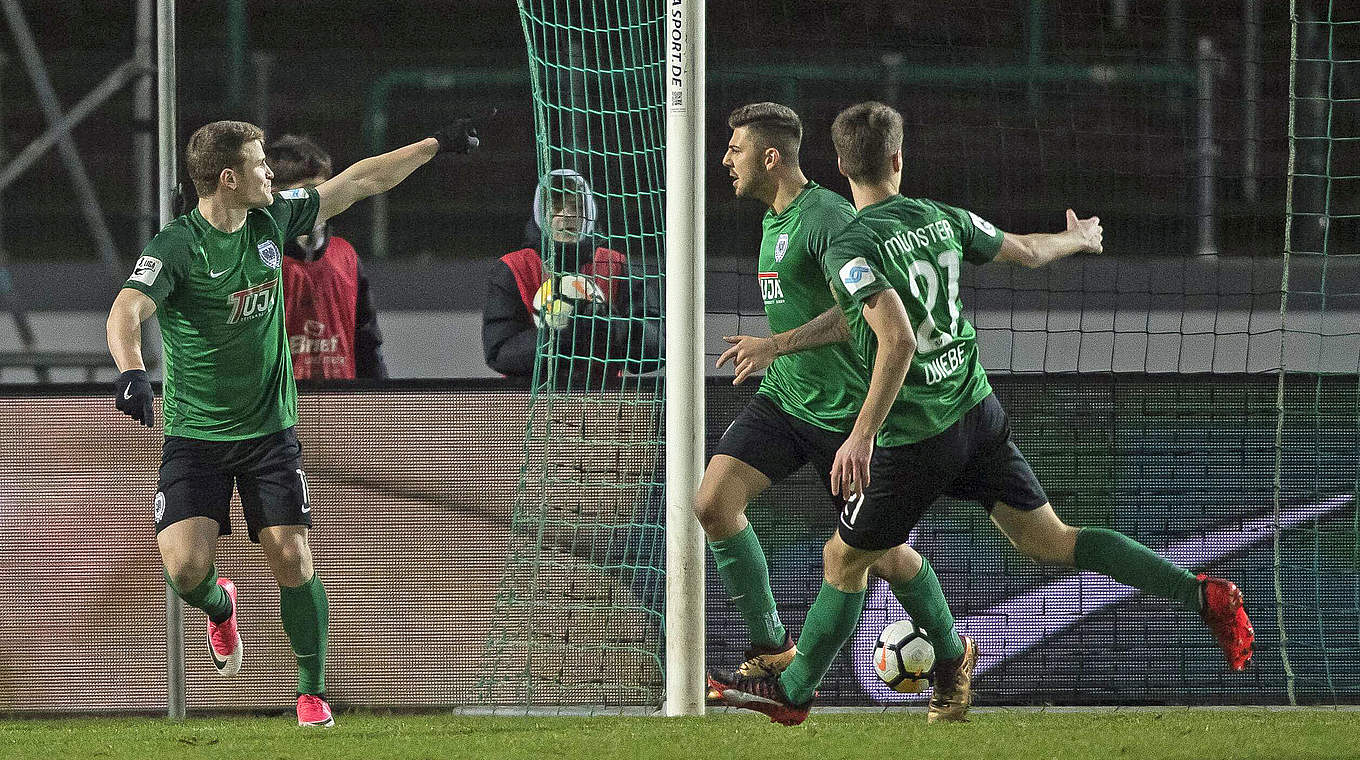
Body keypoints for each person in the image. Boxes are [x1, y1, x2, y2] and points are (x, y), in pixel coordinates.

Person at [708, 101, 1254, 726]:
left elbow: (897, 339)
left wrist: (861, 436)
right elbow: (1024, 250)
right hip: (977, 413)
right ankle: (1202, 591)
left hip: (915, 435)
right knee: (1053, 541)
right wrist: (1076, 238)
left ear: (837, 164)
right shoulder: (941, 219)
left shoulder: (850, 243)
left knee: (844, 559)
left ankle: (794, 691)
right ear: (897, 159)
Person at [106, 118, 480, 727]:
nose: (269, 172)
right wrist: (132, 371)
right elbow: (127, 308)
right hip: (195, 436)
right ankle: (220, 605)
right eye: (258, 164)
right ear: (228, 179)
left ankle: (311, 691)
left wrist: (433, 143)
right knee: (183, 568)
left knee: (291, 555)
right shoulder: (176, 246)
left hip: (269, 431)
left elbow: (359, 183)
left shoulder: (270, 219)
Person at [699, 103, 966, 703]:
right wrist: (779, 356)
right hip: (786, 400)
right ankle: (770, 649)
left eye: (735, 149)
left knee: (886, 556)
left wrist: (777, 343)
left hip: (845, 414)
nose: (725, 161)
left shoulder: (829, 219)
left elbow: (859, 320)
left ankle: (951, 651)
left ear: (771, 157)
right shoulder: (774, 220)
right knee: (713, 503)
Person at [482, 169, 662, 385]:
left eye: (577, 207)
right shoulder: (514, 268)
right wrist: (556, 339)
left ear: (591, 214)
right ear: (541, 214)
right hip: (530, 403)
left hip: (604, 402)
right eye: (557, 206)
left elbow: (657, 349)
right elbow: (499, 353)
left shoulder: (617, 267)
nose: (567, 214)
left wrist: (617, 329)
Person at [265, 134, 388, 381]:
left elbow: (367, 342)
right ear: (274, 195)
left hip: (341, 406)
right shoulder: (258, 258)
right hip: (277, 412)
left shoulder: (346, 256)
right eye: (309, 192)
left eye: (325, 190)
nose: (321, 201)